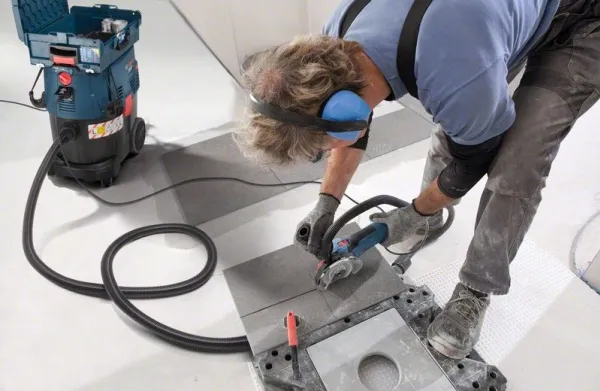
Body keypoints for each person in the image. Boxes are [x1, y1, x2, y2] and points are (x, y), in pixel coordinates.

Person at [236, 0, 600, 360]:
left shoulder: (455, 67)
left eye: (320, 149)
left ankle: (476, 290)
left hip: (584, 21)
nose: (323, 153)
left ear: (344, 110)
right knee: (459, 117)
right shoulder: (338, 36)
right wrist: (326, 202)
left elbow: (470, 164)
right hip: (483, 25)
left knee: (518, 158)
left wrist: (411, 214)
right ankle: (431, 219)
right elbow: (355, 126)